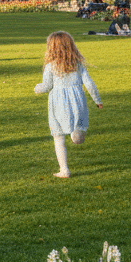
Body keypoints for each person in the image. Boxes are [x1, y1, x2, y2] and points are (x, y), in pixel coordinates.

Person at [34, 31, 102, 178]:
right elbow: (89, 84)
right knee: (78, 131)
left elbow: (46, 86)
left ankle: (64, 170)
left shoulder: (50, 67)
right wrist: (97, 100)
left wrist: (37, 88)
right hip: (77, 102)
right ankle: (76, 134)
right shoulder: (78, 65)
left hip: (57, 104)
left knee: (58, 136)